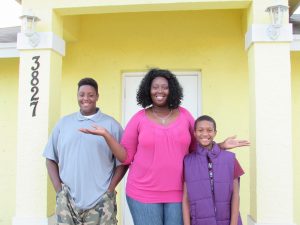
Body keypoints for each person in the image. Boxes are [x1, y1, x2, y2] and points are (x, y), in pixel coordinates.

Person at [80, 69, 249, 225]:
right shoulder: (139, 118)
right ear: (148, 90)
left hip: (179, 193)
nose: (159, 91)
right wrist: (107, 136)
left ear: (172, 90)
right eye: (155, 87)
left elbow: (197, 150)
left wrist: (220, 146)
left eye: (164, 87)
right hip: (142, 192)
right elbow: (126, 157)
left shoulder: (185, 116)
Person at [43, 78, 127, 225]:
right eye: (81, 94)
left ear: (97, 96)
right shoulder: (64, 124)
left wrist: (110, 189)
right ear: (77, 96)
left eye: (90, 95)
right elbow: (50, 158)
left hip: (101, 202)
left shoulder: (111, 125)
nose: (86, 98)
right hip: (67, 202)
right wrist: (59, 192)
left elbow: (124, 161)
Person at [182, 115, 244, 225]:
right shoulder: (188, 161)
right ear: (195, 133)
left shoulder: (230, 159)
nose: (205, 134)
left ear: (215, 132)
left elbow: (235, 195)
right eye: (200, 130)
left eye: (209, 130)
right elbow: (186, 198)